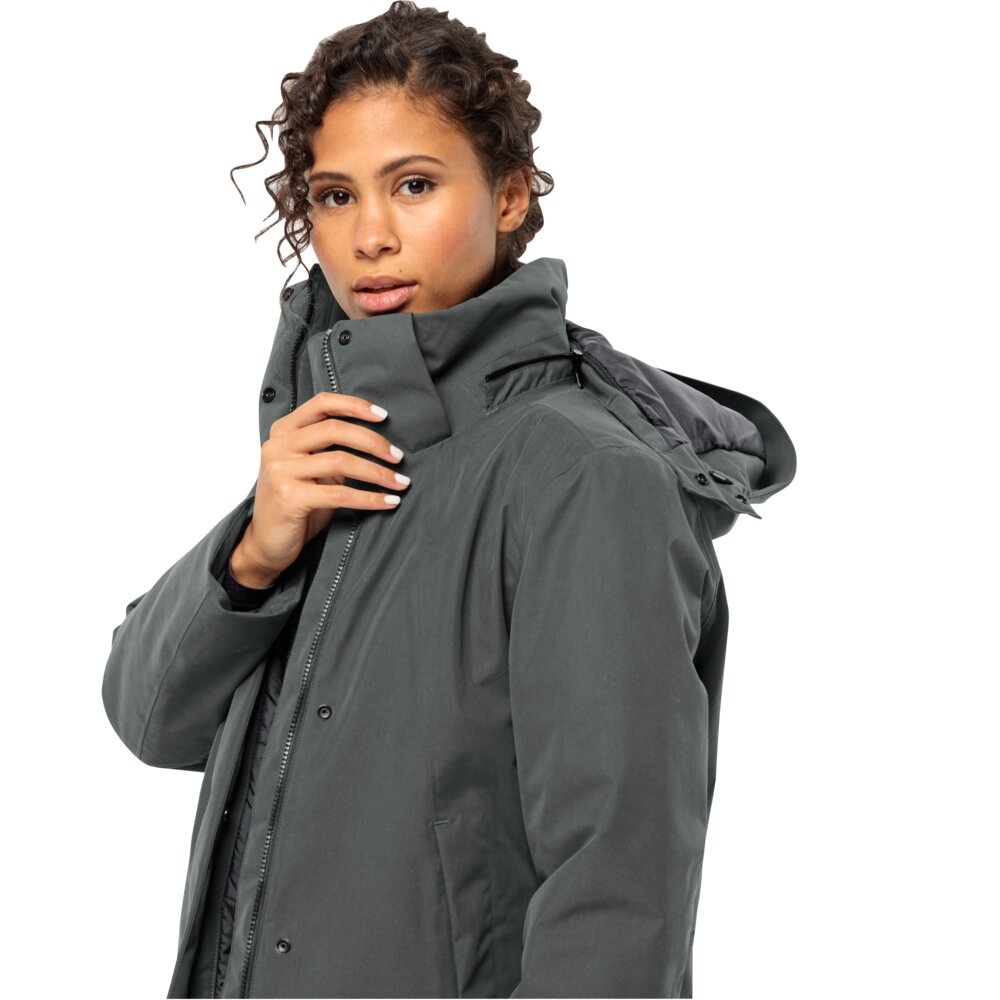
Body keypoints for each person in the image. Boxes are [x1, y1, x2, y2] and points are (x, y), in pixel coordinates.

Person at [101, 3, 796, 997]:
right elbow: (152, 723)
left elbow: (617, 890)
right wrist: (253, 551)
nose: (370, 236)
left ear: (509, 195)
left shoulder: (581, 476)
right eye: (334, 196)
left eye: (414, 185)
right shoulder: (326, 457)